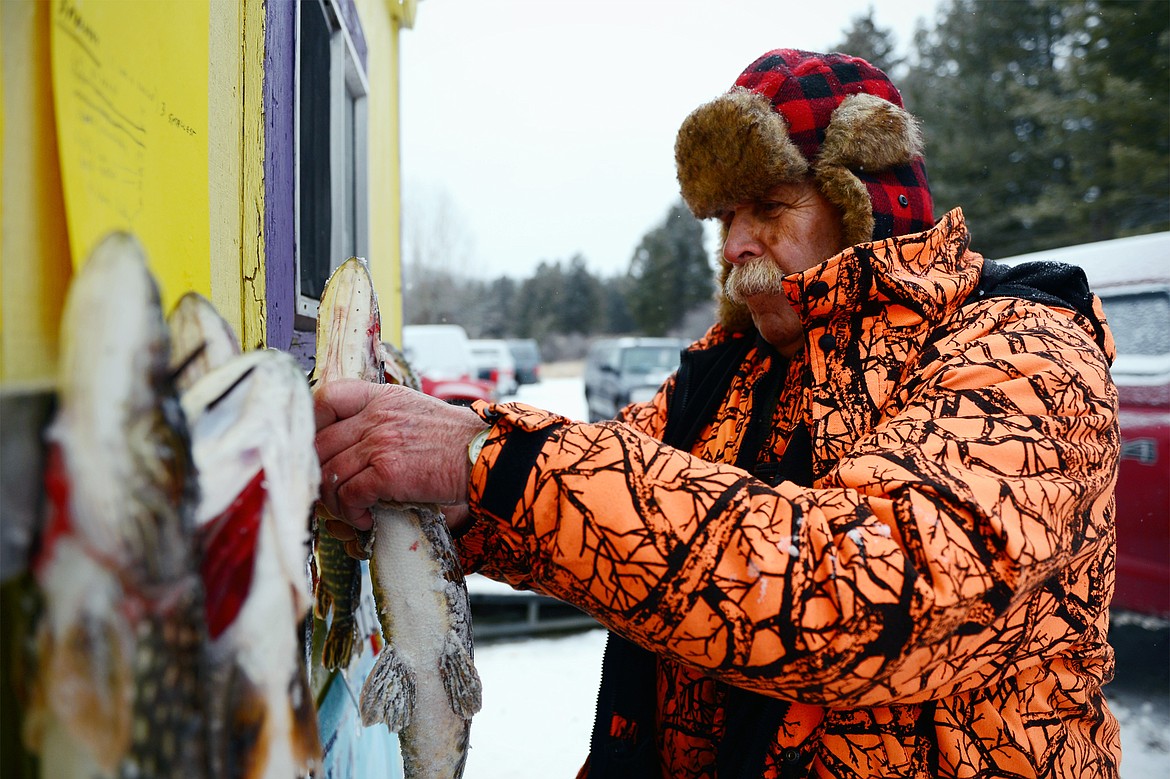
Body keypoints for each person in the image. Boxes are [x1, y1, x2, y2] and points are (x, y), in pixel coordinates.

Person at [315, 49, 1121, 777]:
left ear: (862, 202)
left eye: (768, 205)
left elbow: (871, 596)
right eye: (724, 218)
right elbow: (596, 492)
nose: (736, 243)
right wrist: (441, 491)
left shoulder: (1025, 352)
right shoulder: (727, 379)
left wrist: (488, 459)